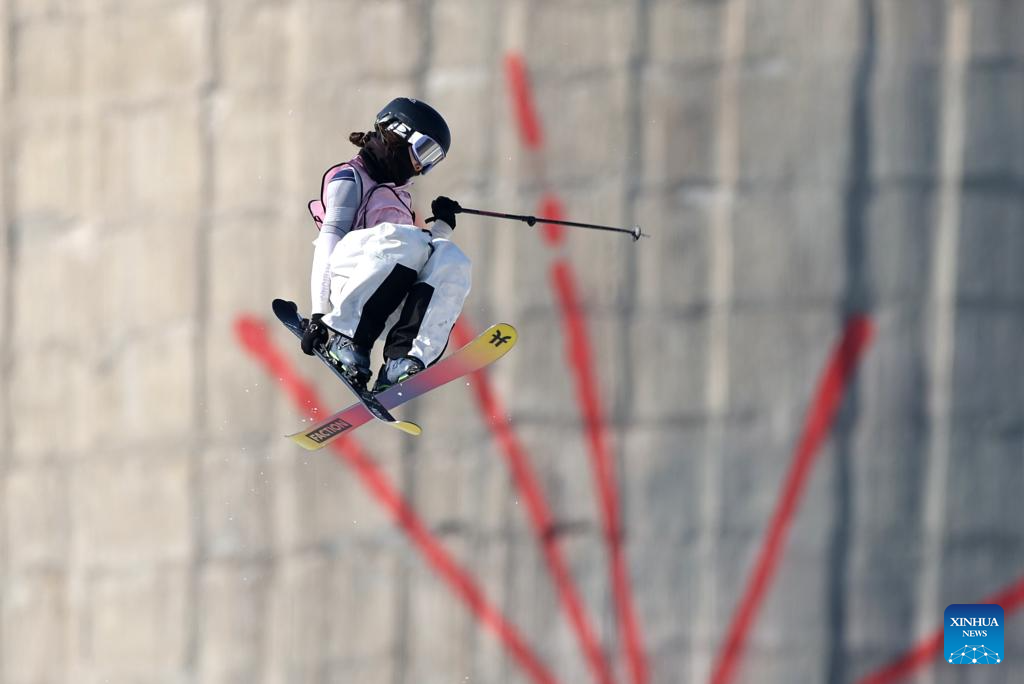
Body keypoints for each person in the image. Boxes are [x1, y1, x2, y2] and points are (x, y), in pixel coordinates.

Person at [300, 97, 471, 392]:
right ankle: (348, 339)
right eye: (425, 151)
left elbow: (423, 259)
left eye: (432, 161)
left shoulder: (401, 196)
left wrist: (442, 226)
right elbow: (328, 241)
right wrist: (318, 314)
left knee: (452, 258)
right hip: (350, 284)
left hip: (387, 294)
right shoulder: (350, 178)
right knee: (408, 238)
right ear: (399, 134)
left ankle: (404, 359)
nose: (421, 166)